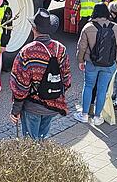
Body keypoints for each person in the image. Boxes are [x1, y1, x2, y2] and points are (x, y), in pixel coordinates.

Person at [9, 8, 71, 139]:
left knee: (30, 146)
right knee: (41, 140)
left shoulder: (27, 51)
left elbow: (21, 85)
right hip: (52, 106)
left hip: (32, 106)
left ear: (33, 28)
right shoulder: (61, 49)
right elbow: (66, 80)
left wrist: (16, 110)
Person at [74, 3, 117, 126]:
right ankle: (98, 117)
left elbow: (81, 47)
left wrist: (80, 61)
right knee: (102, 90)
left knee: (88, 86)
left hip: (92, 63)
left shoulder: (88, 27)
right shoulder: (116, 27)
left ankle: (85, 114)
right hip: (109, 64)